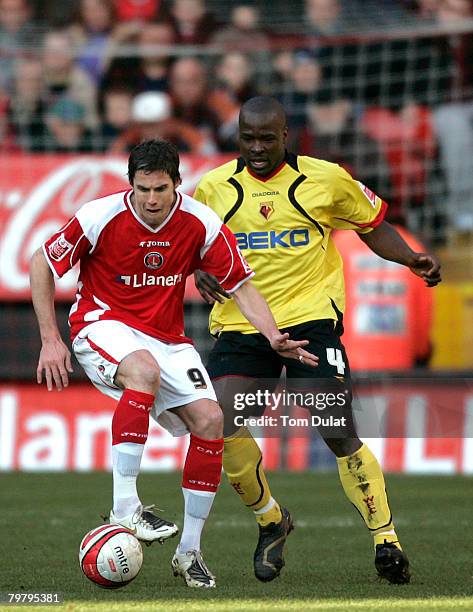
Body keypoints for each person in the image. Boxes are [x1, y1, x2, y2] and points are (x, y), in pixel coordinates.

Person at [30, 139, 317, 589]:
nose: (149, 198)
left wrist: (272, 334)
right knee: (142, 370)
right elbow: (42, 262)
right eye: (142, 188)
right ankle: (125, 509)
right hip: (101, 322)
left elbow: (240, 285)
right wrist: (51, 339)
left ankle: (190, 553)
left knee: (210, 419)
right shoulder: (99, 216)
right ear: (131, 185)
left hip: (167, 337)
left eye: (159, 188)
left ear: (177, 184)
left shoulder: (200, 222)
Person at [193, 96, 441, 585]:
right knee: (219, 423)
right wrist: (200, 270)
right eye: (249, 139)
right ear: (237, 137)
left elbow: (373, 227)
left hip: (310, 322)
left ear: (288, 135)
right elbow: (194, 244)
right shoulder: (213, 187)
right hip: (244, 324)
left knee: (337, 429)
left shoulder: (327, 179)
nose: (258, 148)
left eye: (268, 138)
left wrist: (410, 258)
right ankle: (271, 522)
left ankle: (385, 539)